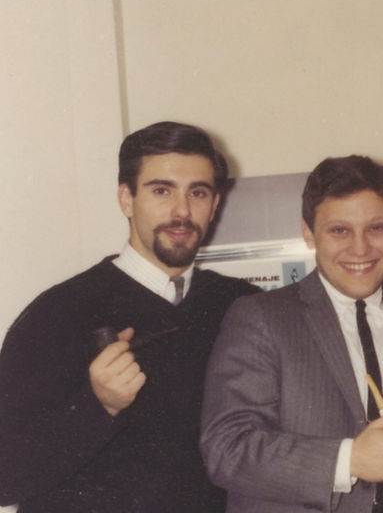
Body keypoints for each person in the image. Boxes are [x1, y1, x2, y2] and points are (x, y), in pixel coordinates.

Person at [0, 121, 259, 512]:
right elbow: (7, 477)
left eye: (198, 193)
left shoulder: (244, 306)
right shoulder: (57, 313)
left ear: (215, 205)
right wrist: (98, 406)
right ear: (126, 199)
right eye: (161, 190)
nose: (182, 211)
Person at [200, 155, 383, 512]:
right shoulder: (261, 318)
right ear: (308, 233)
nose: (360, 248)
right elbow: (226, 449)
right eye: (339, 230)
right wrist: (349, 460)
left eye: (376, 228)